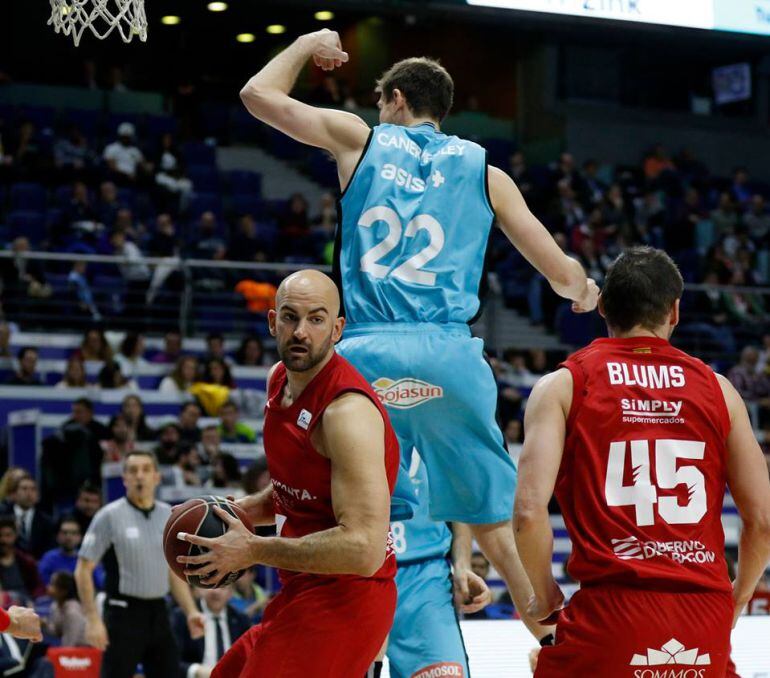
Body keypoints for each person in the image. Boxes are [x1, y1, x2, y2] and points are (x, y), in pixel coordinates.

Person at [239, 28, 597, 640]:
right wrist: (585, 291)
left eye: (382, 103)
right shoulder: (486, 170)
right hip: (451, 355)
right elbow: (563, 277)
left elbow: (257, 95)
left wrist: (306, 44)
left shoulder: (363, 141)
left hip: (366, 353)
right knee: (494, 525)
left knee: (347, 519)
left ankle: (327, 636)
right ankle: (554, 640)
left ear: (397, 99)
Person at [514, 247, 770, 677]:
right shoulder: (720, 390)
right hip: (702, 614)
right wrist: (738, 596)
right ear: (674, 311)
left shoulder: (563, 385)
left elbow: (526, 512)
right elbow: (762, 520)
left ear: (602, 307)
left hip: (612, 610)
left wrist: (544, 593)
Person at [176, 270, 400, 677]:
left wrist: (254, 549)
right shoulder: (279, 379)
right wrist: (228, 516)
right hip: (301, 587)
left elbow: (364, 550)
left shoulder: (346, 413)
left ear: (337, 330)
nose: (301, 331)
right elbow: (292, 493)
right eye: (290, 317)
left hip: (347, 599)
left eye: (316, 320)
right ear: (272, 321)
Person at [75, 450, 205, 678]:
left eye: (146, 470)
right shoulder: (109, 516)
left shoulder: (169, 516)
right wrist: (92, 619)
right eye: (133, 471)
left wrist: (191, 611)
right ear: (124, 478)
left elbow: (173, 573)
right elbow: (83, 570)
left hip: (159, 612)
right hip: (122, 614)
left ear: (156, 477)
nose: (140, 476)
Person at [387, 453, 489, 677]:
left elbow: (456, 494)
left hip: (425, 577)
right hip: (354, 571)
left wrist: (462, 564)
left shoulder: (433, 420)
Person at [171, 586, 251, 678]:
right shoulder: (183, 617)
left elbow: (249, 661)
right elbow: (170, 662)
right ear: (200, 588)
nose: (216, 592)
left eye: (223, 587)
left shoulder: (241, 620)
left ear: (231, 593)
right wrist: (196, 671)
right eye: (212, 585)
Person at [38, 516, 104, 587]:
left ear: (80, 537)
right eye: (64, 532)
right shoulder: (48, 558)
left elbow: (100, 584)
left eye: (74, 533)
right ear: (57, 536)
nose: (69, 537)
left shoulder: (88, 559)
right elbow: (43, 585)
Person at [5, 475, 55, 559]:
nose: (29, 493)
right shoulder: (3, 517)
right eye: (24, 489)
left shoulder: (47, 522)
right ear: (15, 494)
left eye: (33, 489)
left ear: (38, 496)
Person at [0, 516, 44, 599]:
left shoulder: (27, 561)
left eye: (8, 535)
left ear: (15, 536)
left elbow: (38, 587)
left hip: (25, 603)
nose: (3, 540)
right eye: (0, 535)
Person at [45, 571, 88, 646]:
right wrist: (45, 624)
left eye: (52, 585)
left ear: (63, 591)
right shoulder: (55, 606)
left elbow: (70, 643)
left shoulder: (73, 612)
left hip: (84, 650)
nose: (48, 587)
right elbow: (57, 631)